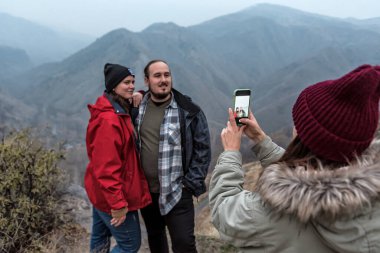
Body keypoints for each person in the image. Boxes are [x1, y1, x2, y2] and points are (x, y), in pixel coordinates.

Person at [209, 64, 380, 253]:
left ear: (303, 136)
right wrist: (261, 141)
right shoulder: (371, 204)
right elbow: (317, 176)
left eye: (298, 123)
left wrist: (231, 152)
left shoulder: (271, 214)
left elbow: (223, 210)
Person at [135, 59, 211, 253]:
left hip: (178, 192)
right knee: (156, 239)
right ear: (147, 80)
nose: (163, 80)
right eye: (157, 76)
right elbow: (113, 99)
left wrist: (190, 184)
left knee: (184, 244)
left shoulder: (189, 111)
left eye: (166, 75)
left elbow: (202, 150)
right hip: (148, 194)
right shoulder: (137, 108)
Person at [84, 63, 152, 253]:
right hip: (114, 194)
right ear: (113, 86)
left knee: (100, 237)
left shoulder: (116, 108)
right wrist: (118, 204)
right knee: (130, 244)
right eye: (126, 83)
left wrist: (136, 95)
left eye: (132, 82)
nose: (131, 86)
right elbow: (107, 168)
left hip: (99, 192)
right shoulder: (109, 122)